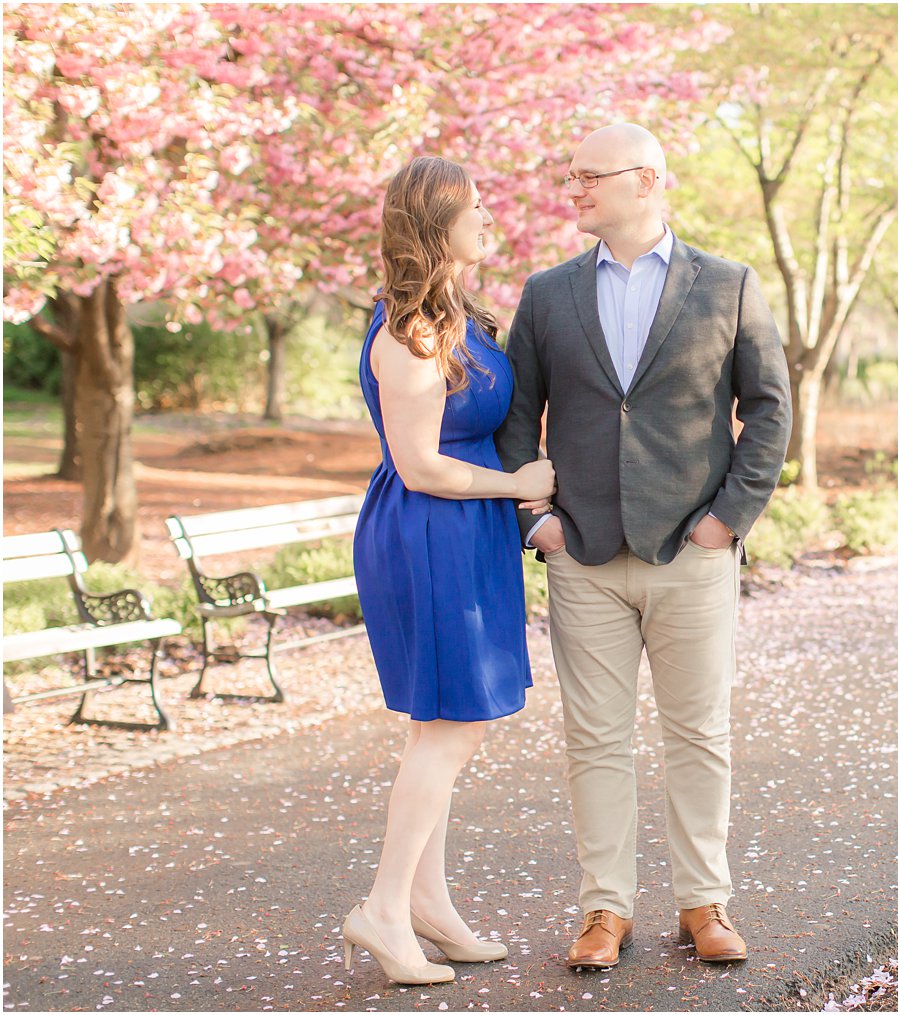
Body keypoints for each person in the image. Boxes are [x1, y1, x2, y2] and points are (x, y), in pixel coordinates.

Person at [496, 123, 791, 971]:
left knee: (698, 732)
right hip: (580, 553)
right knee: (594, 736)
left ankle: (705, 901)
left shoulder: (728, 284)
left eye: (591, 176)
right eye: (571, 174)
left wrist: (727, 519)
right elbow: (518, 418)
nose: (575, 188)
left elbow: (769, 407)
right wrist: (535, 520)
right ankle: (603, 909)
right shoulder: (547, 293)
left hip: (691, 548)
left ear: (647, 181)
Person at [342, 155, 556, 986]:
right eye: (473, 206)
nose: (488, 217)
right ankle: (385, 909)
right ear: (435, 225)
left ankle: (427, 901)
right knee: (455, 722)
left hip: (467, 534)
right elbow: (422, 462)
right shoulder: (410, 332)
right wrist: (520, 484)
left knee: (442, 725)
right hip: (431, 528)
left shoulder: (457, 315)